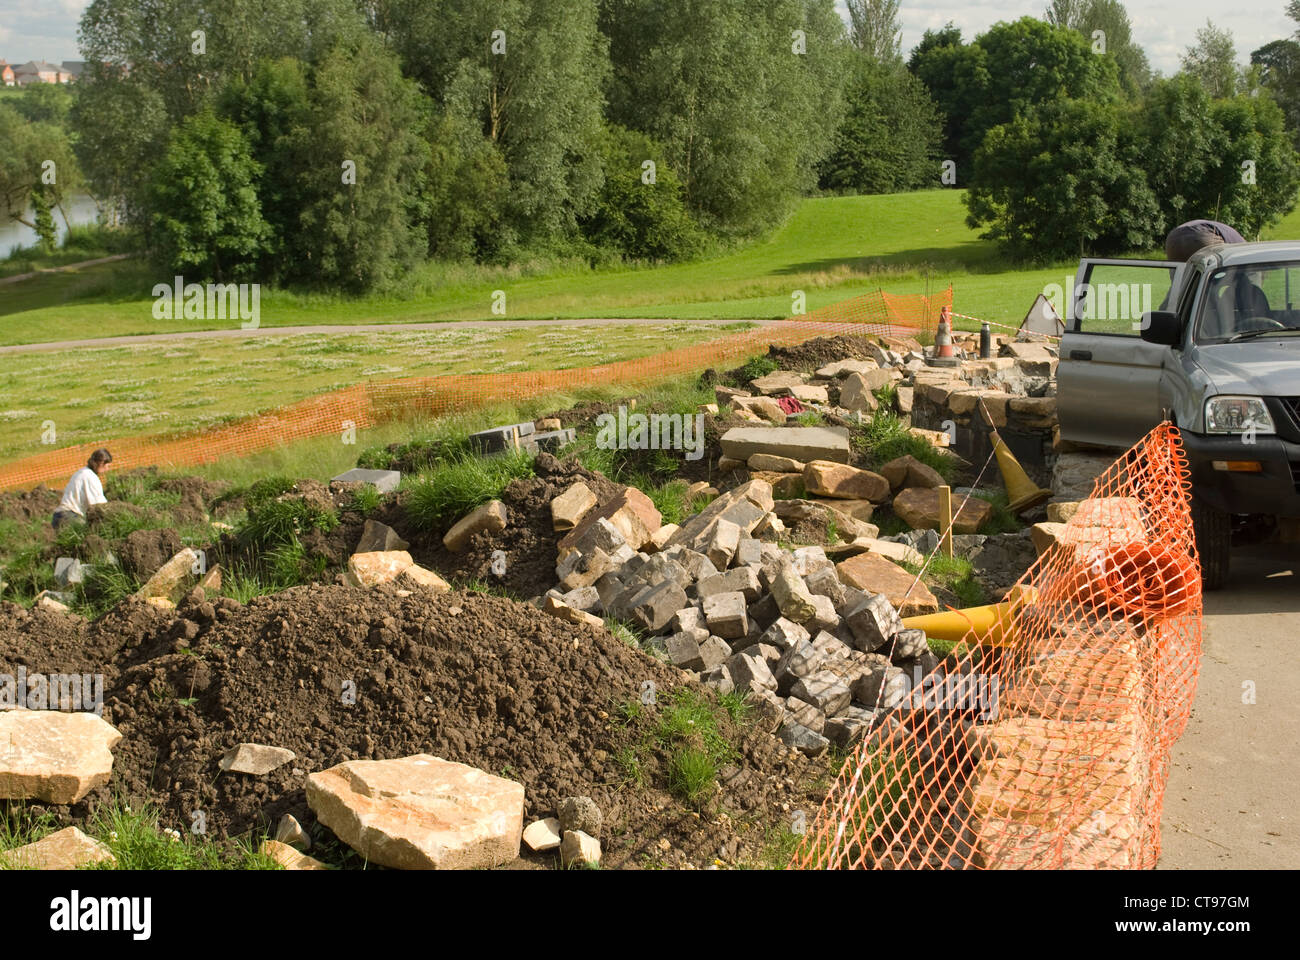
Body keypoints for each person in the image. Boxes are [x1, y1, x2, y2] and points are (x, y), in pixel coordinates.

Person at [53, 449, 112, 530]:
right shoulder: (91, 477)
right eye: (107, 466)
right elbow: (99, 505)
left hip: (58, 517)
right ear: (101, 463)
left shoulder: (81, 472)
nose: (107, 470)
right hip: (70, 518)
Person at [1164, 219, 1245, 262]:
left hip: (1173, 237)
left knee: (1179, 281)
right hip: (1203, 234)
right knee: (1212, 279)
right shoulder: (1243, 247)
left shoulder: (1235, 236)